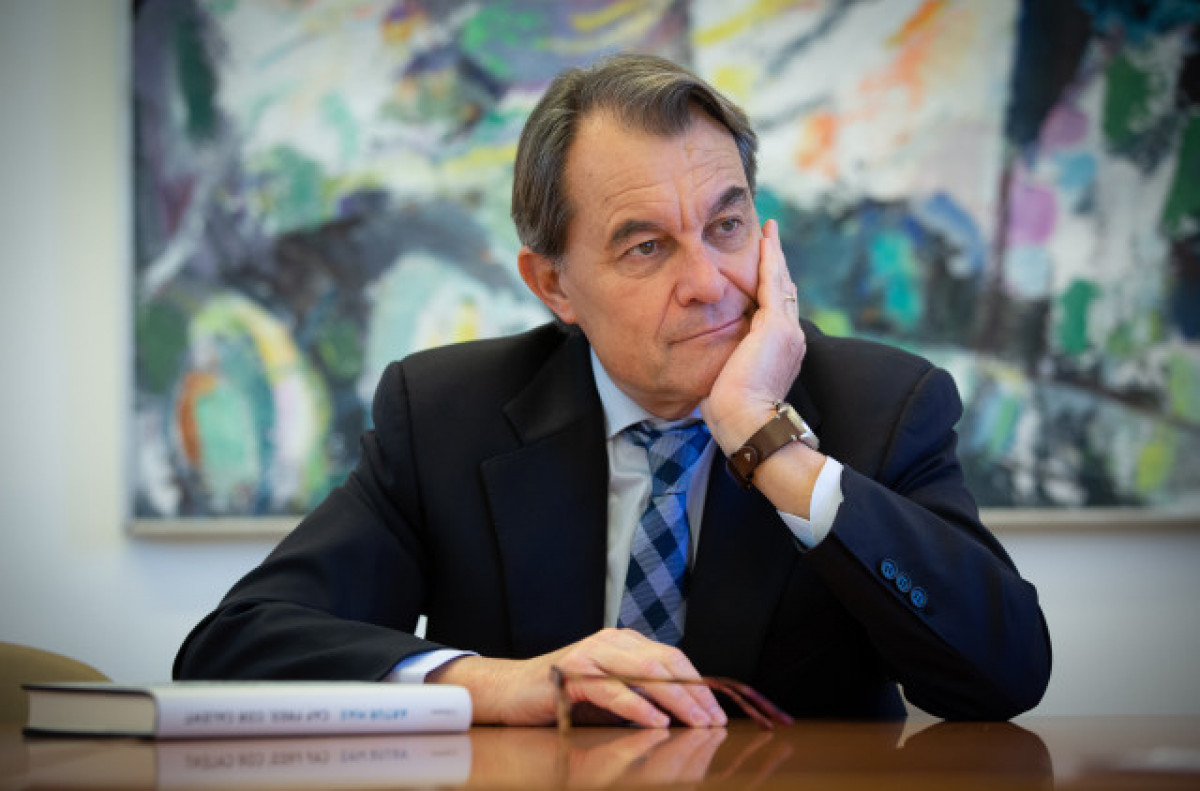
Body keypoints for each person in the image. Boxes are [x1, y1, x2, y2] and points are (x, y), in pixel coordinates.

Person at [175, 54, 1052, 726]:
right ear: (554, 284)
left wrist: (770, 446)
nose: (708, 283)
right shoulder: (446, 415)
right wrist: (499, 684)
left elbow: (1005, 673)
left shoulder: (881, 405)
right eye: (647, 246)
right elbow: (234, 646)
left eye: (727, 225)